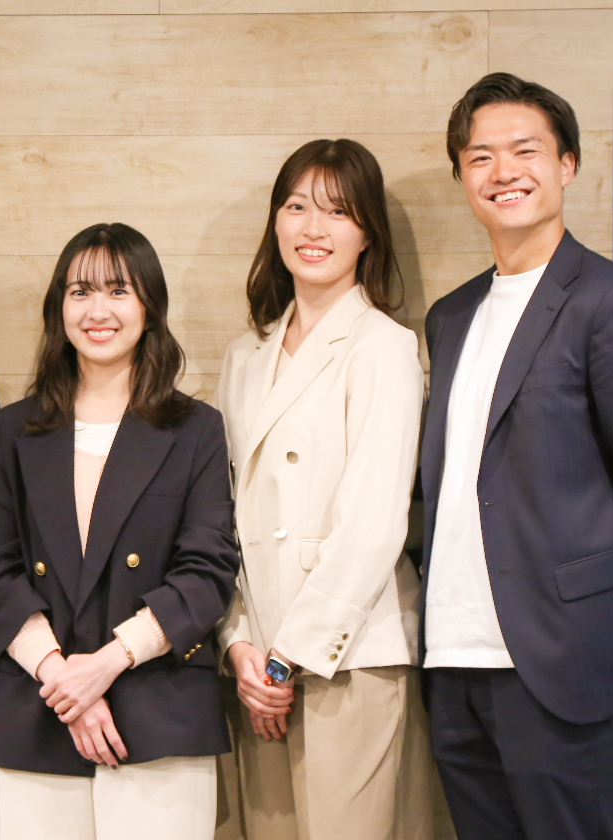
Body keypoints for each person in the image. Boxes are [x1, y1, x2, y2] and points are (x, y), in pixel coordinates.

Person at [421, 72, 613, 839]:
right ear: (462, 175)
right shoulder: (450, 317)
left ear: (567, 164)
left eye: (526, 150)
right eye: (480, 157)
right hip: (452, 665)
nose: (503, 171)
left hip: (564, 667)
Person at [0, 222, 239, 840]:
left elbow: (207, 571)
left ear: (149, 306)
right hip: (41, 710)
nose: (98, 310)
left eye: (119, 290)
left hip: (160, 709)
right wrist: (63, 678)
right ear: (58, 307)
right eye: (80, 291)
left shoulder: (196, 429)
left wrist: (107, 665)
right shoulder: (14, 430)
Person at [215, 139, 433, 840]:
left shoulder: (383, 346)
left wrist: (289, 656)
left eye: (338, 212)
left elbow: (374, 523)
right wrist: (240, 645)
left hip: (348, 653)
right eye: (297, 207)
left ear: (368, 233)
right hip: (257, 661)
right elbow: (221, 515)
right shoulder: (244, 355)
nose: (313, 228)